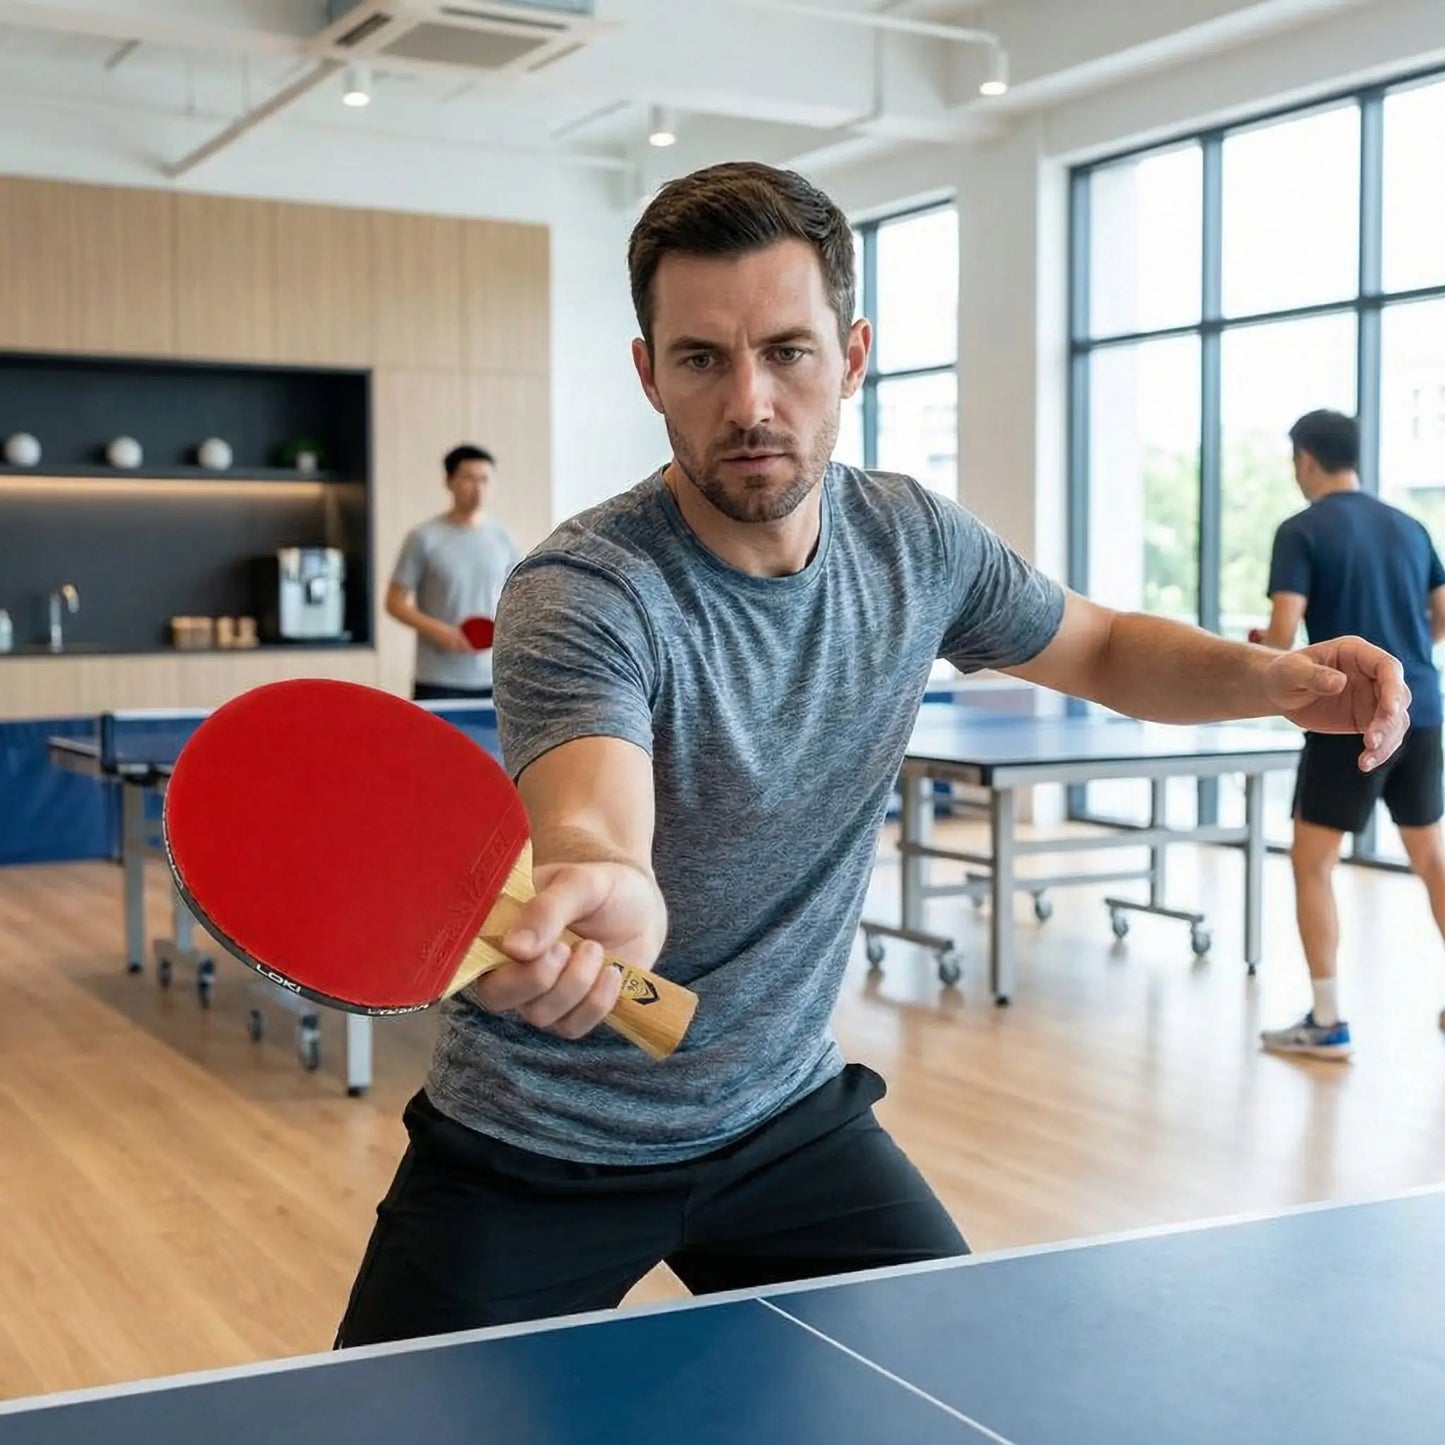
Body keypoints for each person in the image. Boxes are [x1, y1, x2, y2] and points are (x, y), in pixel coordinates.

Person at [335, 163, 1409, 1349]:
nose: (749, 401)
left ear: (850, 356)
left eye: (786, 352)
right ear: (647, 374)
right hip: (536, 1141)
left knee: (955, 1393)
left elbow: (1099, 645)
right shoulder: (584, 589)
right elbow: (594, 813)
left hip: (779, 1116)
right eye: (700, 358)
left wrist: (1270, 680)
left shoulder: (914, 544)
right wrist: (607, 879)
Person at [1257, 409, 1445, 1060]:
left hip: (1345, 718)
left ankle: (1327, 1019)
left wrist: (1263, 645)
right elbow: (1439, 619)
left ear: (1305, 459)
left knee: (1311, 861)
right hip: (1418, 710)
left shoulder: (1300, 529)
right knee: (1430, 857)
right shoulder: (1410, 526)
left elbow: (1282, 637)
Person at [385, 443, 521, 700]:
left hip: (493, 677)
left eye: (485, 480)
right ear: (449, 482)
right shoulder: (423, 538)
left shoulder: (505, 539)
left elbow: (519, 598)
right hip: (437, 678)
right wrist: (440, 631)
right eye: (468, 479)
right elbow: (394, 602)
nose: (478, 488)